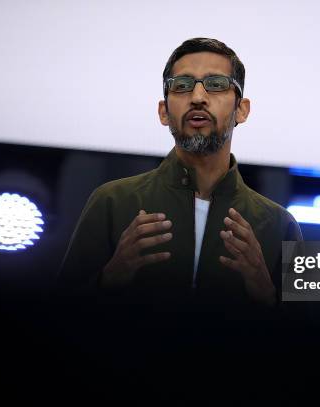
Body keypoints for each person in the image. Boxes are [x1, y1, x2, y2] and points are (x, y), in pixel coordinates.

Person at [59, 38, 303, 306]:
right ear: (163, 112)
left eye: (216, 85)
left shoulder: (282, 226)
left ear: (241, 110)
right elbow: (56, 313)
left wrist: (267, 295)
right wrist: (109, 278)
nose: (198, 98)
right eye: (182, 86)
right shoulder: (111, 202)